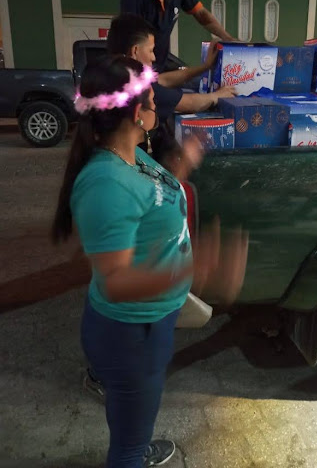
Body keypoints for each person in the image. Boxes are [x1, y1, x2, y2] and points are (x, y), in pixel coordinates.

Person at [51, 55, 248, 468]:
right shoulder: (106, 183)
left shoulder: (130, 155)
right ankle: (133, 451)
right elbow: (115, 281)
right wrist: (198, 268)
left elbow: (150, 197)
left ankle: (134, 438)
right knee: (128, 441)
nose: (158, 105)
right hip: (130, 335)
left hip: (147, 323)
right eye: (153, 100)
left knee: (132, 412)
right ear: (137, 114)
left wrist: (182, 164)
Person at [107, 12, 236, 169]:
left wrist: (205, 67)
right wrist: (217, 95)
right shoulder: (137, 87)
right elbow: (189, 103)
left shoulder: (111, 74)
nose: (154, 57)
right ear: (135, 51)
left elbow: (164, 80)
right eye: (151, 50)